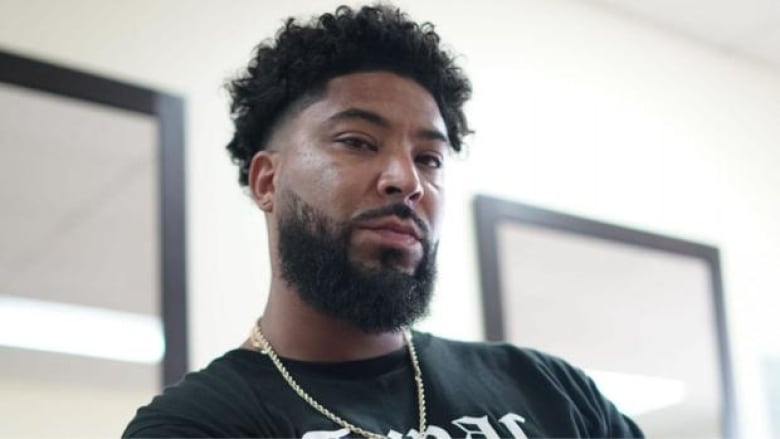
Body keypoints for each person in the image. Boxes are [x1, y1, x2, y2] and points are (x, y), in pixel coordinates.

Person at [123, 4, 643, 438]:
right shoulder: (197, 426)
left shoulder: (551, 392)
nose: (407, 180)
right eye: (357, 142)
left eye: (429, 158)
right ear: (267, 182)